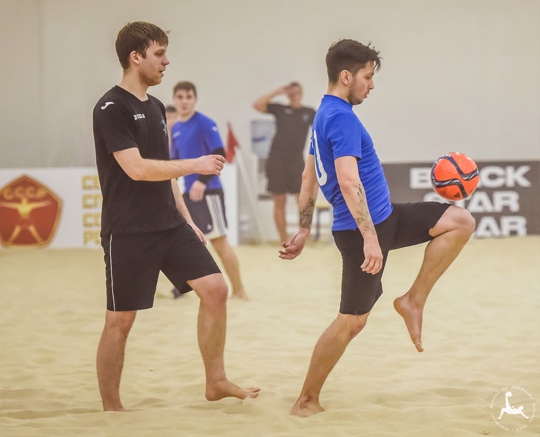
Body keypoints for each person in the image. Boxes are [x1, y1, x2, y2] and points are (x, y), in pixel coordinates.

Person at [279, 39, 475, 417]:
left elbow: (308, 178)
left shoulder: (324, 113)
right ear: (346, 76)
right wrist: (370, 239)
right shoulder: (341, 118)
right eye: (367, 77)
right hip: (360, 231)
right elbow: (347, 180)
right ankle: (306, 400)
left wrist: (303, 228)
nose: (371, 85)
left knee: (459, 221)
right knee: (352, 322)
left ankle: (412, 300)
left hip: (384, 217)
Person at [92, 21, 259, 411]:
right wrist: (196, 164)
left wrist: (186, 218)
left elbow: (163, 169)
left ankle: (215, 381)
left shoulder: (155, 107)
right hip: (128, 230)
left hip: (169, 224)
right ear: (136, 57)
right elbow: (137, 169)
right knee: (121, 320)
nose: (167, 61)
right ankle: (112, 409)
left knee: (216, 289)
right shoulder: (111, 107)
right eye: (159, 53)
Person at [170, 81, 248, 300]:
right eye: (180, 97)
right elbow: (174, 162)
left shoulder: (204, 123)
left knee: (219, 243)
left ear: (195, 99)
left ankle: (239, 290)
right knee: (186, 242)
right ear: (174, 100)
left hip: (209, 193)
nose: (184, 101)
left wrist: (202, 182)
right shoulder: (175, 129)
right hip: (188, 195)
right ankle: (181, 288)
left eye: (188, 97)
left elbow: (219, 153)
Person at [252, 82, 316, 243]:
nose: (295, 95)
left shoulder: (309, 112)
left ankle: (303, 236)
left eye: (297, 92)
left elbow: (322, 128)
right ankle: (284, 239)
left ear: (302, 93)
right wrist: (277, 91)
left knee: (303, 200)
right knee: (279, 201)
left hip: (297, 161)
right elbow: (257, 105)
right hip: (277, 160)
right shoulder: (280, 109)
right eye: (291, 93)